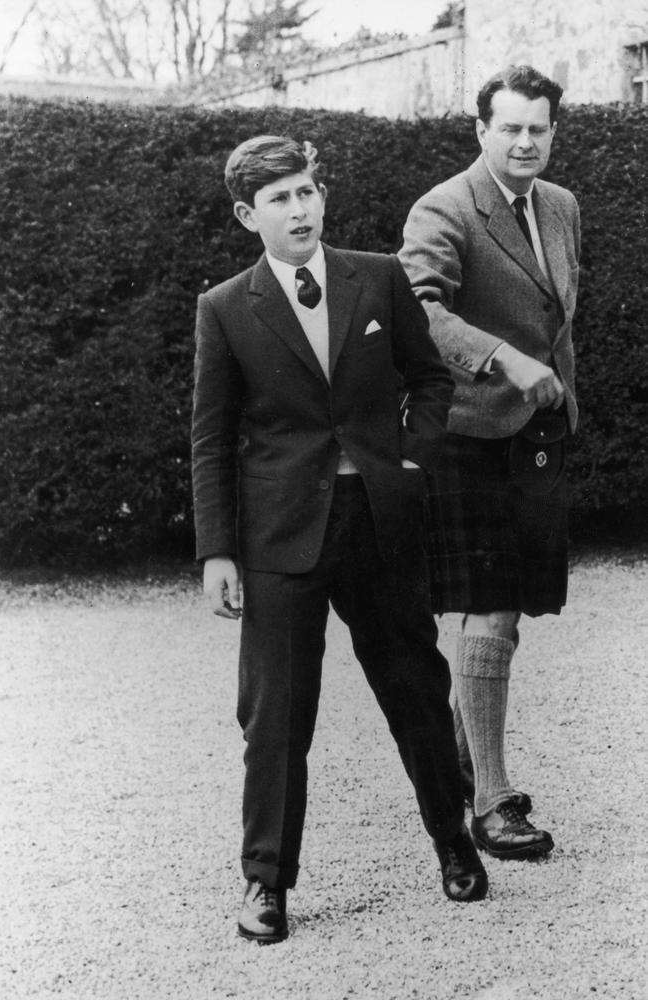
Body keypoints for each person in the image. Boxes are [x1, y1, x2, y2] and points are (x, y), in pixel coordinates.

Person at [191, 134, 489, 944]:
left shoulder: (380, 276)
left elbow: (430, 380)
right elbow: (212, 438)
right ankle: (265, 882)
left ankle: (454, 843)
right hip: (281, 535)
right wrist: (219, 550)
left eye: (306, 191)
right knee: (277, 714)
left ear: (322, 196)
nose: (299, 208)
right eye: (280, 198)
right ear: (250, 215)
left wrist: (410, 462)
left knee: (416, 690)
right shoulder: (224, 308)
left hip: (380, 523)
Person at [398, 65, 580, 861]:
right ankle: (492, 802)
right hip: (466, 433)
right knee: (491, 610)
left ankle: (471, 766)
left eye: (538, 127)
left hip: (536, 434)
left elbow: (554, 314)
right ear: (481, 131)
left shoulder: (563, 206)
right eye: (510, 127)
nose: (525, 141)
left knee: (510, 616)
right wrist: (502, 358)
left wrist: (559, 396)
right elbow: (417, 308)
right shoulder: (445, 207)